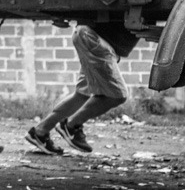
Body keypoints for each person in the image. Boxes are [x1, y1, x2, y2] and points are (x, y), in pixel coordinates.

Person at [24, 22, 136, 155]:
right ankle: (71, 126)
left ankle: (39, 132)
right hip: (96, 39)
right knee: (116, 95)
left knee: (82, 94)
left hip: (90, 35)